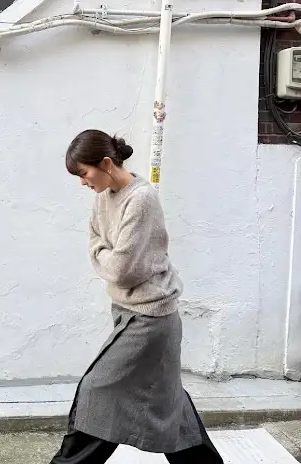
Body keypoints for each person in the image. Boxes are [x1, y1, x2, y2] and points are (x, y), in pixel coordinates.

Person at [50, 129, 224, 464]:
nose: (82, 182)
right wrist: (106, 254)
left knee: (98, 392)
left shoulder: (141, 200)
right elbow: (95, 243)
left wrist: (104, 255)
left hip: (151, 319)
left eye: (84, 173)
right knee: (167, 402)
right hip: (126, 311)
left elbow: (121, 270)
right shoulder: (103, 197)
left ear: (106, 164)